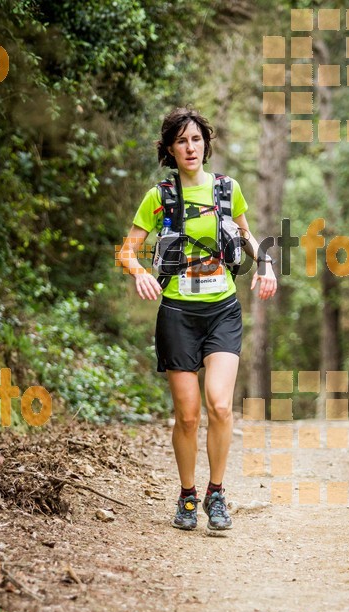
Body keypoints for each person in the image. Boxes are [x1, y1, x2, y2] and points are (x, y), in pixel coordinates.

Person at [120, 107, 276, 532]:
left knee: (221, 406)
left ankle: (217, 493)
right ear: (170, 149)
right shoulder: (160, 197)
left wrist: (266, 264)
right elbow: (126, 250)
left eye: (196, 140)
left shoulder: (227, 189)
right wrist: (139, 275)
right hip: (176, 314)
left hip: (222, 309)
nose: (190, 147)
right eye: (181, 141)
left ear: (206, 144)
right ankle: (187, 496)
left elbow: (245, 235)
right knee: (188, 416)